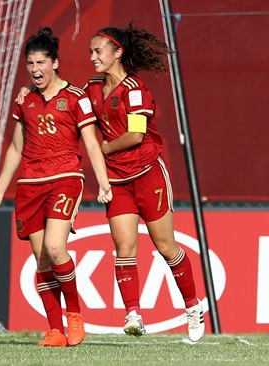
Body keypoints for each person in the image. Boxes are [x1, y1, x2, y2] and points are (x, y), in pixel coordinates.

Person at [0, 27, 113, 347]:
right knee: (42, 260)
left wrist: (103, 182)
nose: (35, 69)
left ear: (55, 63)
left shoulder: (75, 98)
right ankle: (55, 330)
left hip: (65, 178)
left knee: (56, 249)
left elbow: (92, 144)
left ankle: (75, 314)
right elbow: (16, 148)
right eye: (30, 63)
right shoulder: (25, 99)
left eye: (41, 62)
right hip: (30, 183)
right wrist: (0, 188)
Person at [87, 24, 205, 342]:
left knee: (166, 247)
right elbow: (75, 115)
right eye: (91, 51)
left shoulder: (135, 90)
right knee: (124, 248)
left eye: (98, 51)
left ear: (117, 52)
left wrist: (102, 149)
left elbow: (135, 135)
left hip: (147, 175)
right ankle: (133, 315)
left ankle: (193, 307)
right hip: (117, 181)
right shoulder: (92, 88)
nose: (93, 57)